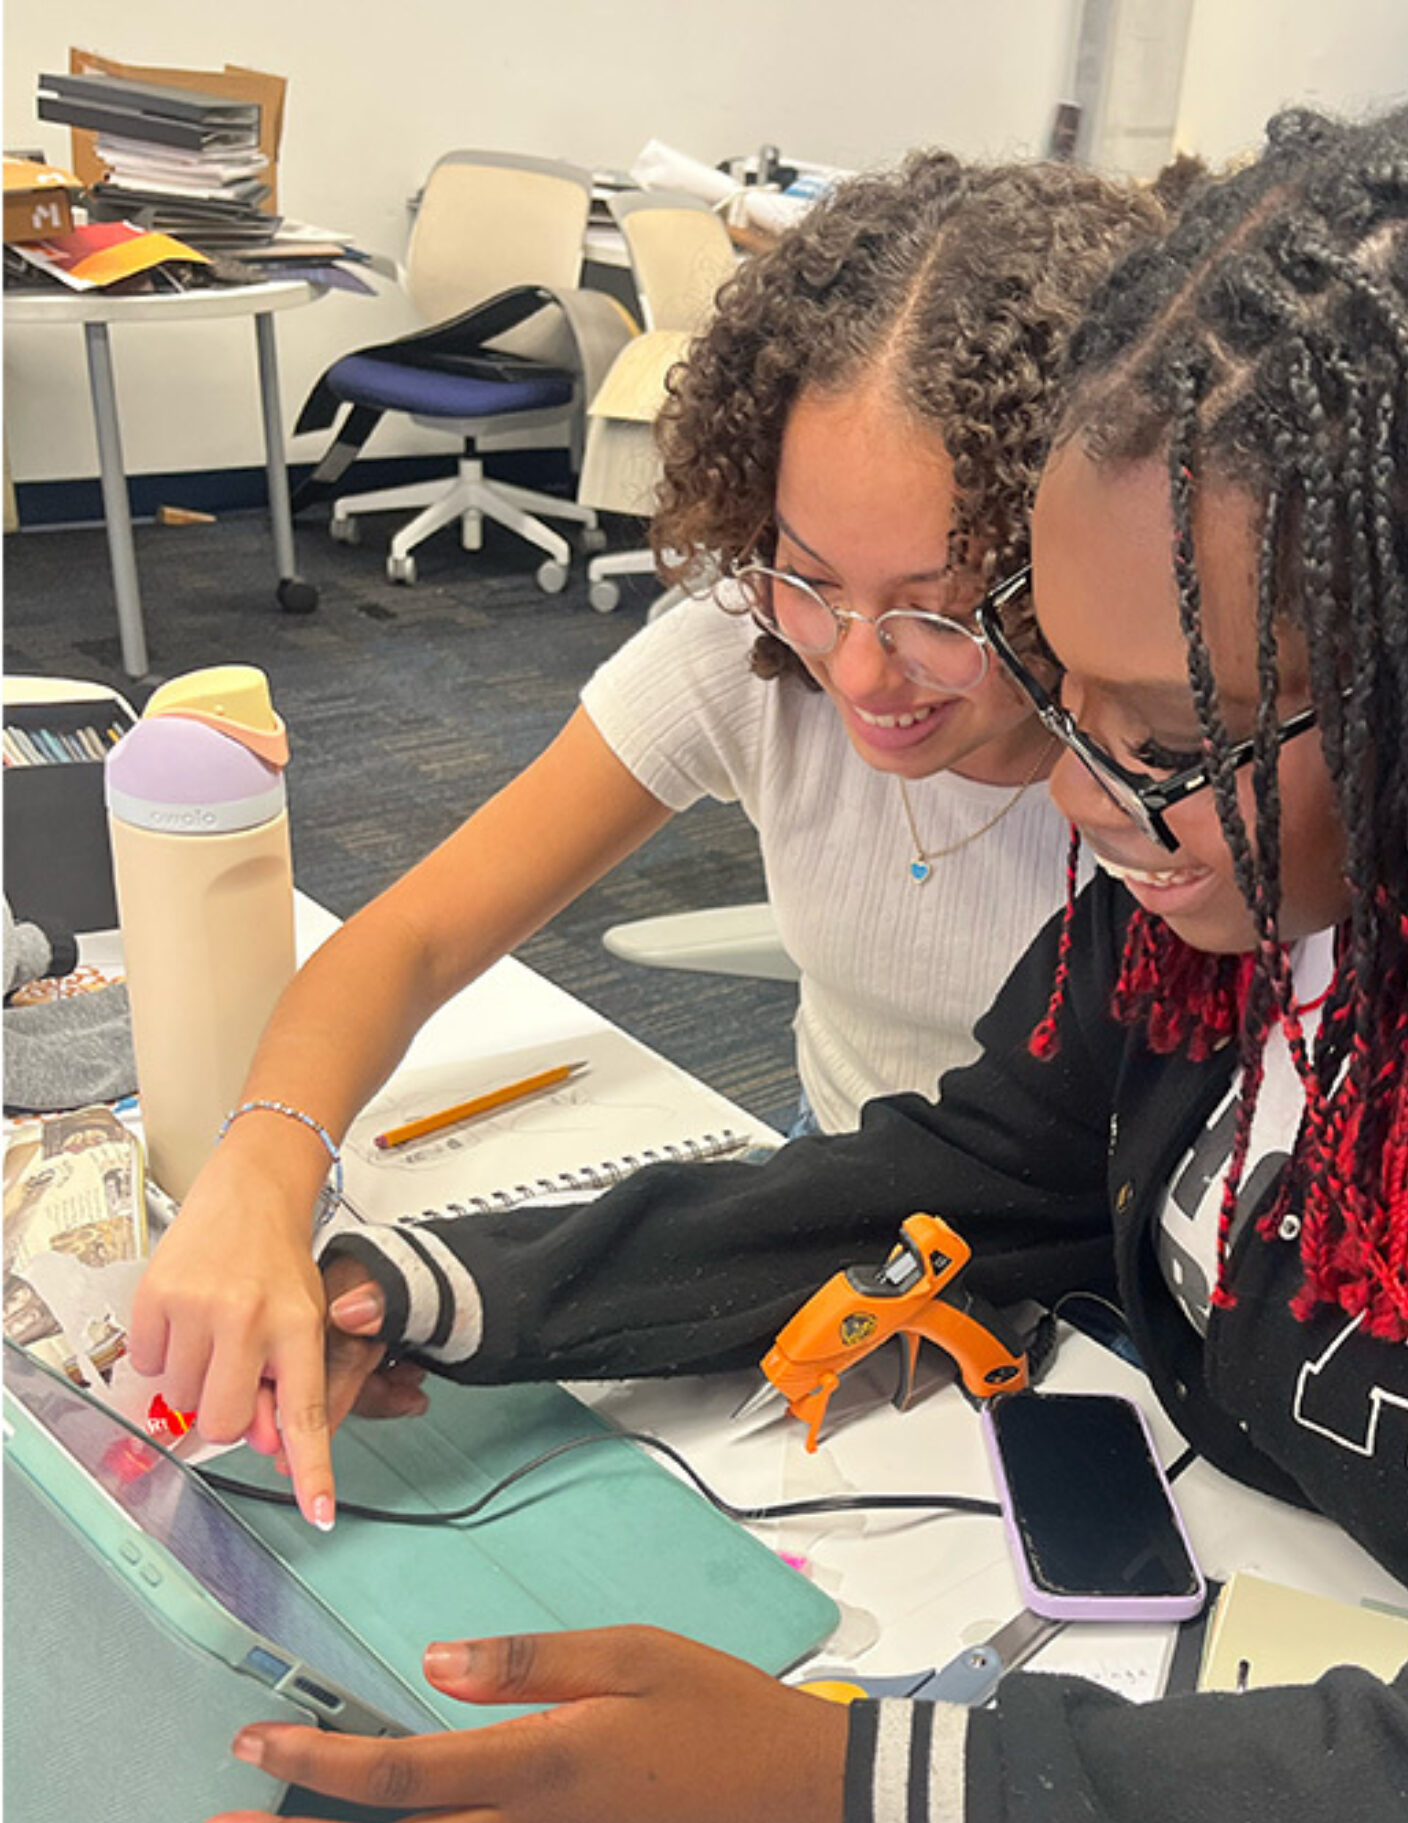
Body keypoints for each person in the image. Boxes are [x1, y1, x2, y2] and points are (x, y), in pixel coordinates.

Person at [201, 85, 1408, 1823]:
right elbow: (967, 1180)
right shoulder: (1234, 885)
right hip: (1275, 1660)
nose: (1083, 799)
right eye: (1063, 688)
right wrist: (445, 1292)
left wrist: (847, 1803)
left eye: (1165, 737)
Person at [127, 154, 1167, 1533]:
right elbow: (418, 933)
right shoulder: (746, 652)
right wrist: (263, 1171)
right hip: (833, 1206)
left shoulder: (1177, 791)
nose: (862, 674)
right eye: (810, 573)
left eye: (943, 608)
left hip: (1120, 1274)